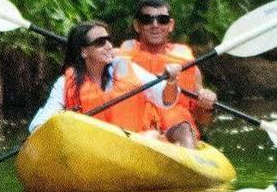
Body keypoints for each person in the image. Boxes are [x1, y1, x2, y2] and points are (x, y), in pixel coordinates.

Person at [28, 21, 183, 136]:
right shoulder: (65, 83)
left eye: (108, 40)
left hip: (133, 145)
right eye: (100, 43)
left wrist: (171, 81)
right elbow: (38, 126)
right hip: (90, 150)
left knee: (153, 135)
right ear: (84, 52)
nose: (109, 46)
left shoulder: (127, 69)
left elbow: (166, 100)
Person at [119, 0, 217, 151]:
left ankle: (188, 164)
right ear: (137, 26)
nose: (155, 25)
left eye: (162, 19)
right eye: (147, 19)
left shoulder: (187, 64)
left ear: (170, 25)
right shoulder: (120, 59)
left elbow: (203, 120)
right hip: (135, 128)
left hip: (175, 131)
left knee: (184, 127)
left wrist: (207, 105)